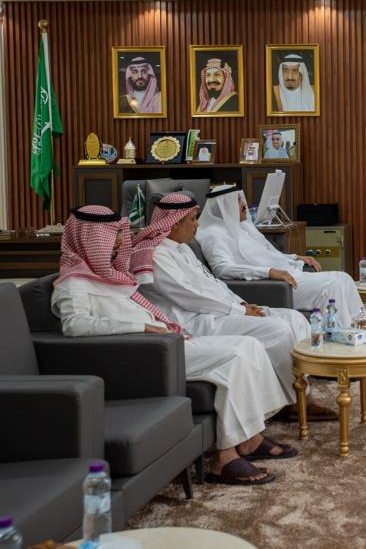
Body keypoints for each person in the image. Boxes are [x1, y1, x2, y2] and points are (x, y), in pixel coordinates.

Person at [51, 205, 295, 485]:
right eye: (110, 236)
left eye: (118, 234)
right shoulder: (73, 284)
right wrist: (141, 327)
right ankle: (225, 459)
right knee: (236, 356)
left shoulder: (109, 276)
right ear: (87, 239)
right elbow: (75, 325)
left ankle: (251, 438)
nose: (118, 242)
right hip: (144, 354)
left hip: (162, 341)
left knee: (249, 345)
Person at [131, 193, 333, 420]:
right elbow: (191, 297)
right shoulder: (156, 255)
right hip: (193, 321)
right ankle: (291, 403)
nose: (197, 225)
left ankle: (301, 393)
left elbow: (213, 284)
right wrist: (240, 311)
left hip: (218, 311)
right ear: (174, 223)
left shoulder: (182, 248)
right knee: (277, 329)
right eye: (193, 219)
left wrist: (241, 303)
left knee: (294, 318)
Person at [196, 185, 364, 321]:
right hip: (270, 284)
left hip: (285, 274)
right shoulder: (213, 234)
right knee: (331, 286)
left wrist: (295, 257)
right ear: (224, 206)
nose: (244, 204)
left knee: (344, 278)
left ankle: (360, 328)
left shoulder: (241, 227)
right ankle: (341, 337)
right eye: (238, 200)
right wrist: (269, 272)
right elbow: (222, 269)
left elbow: (266, 253)